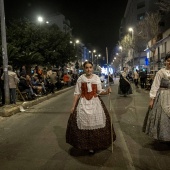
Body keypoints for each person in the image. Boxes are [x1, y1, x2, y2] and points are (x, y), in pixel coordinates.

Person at [66, 61, 116, 154]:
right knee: (83, 123)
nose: (89, 69)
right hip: (83, 103)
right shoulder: (81, 79)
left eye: (90, 67)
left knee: (97, 122)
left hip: (95, 103)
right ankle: (86, 145)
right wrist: (73, 106)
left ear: (92, 68)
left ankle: (95, 144)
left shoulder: (96, 78)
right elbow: (77, 93)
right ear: (84, 69)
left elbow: (99, 91)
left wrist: (107, 91)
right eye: (86, 67)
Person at [142, 52, 170, 141]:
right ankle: (163, 136)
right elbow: (155, 86)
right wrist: (152, 99)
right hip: (162, 96)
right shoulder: (160, 72)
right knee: (162, 117)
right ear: (165, 61)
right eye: (168, 61)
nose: (169, 63)